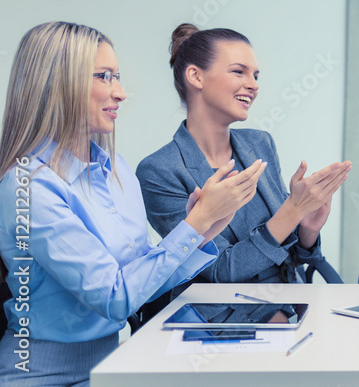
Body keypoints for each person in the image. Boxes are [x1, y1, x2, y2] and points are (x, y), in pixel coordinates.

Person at [0, 22, 256, 386]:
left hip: (113, 363)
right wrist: (192, 226)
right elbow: (115, 297)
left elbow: (139, 278)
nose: (120, 92)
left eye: (117, 76)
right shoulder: (28, 186)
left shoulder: (116, 170)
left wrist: (200, 233)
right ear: (58, 84)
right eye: (104, 77)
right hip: (41, 374)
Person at [137, 25, 350, 290]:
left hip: (291, 305)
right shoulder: (159, 171)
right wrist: (291, 210)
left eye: (256, 75)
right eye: (239, 71)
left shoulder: (259, 144)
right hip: (223, 321)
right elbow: (220, 272)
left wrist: (306, 227)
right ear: (196, 76)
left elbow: (287, 256)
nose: (253, 85)